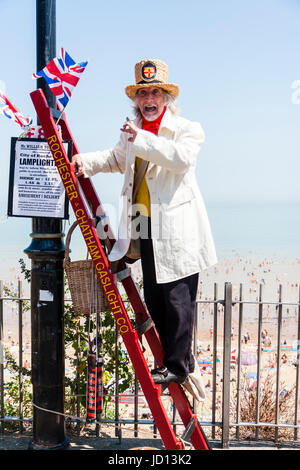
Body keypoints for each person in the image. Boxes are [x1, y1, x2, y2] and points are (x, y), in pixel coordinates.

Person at [72, 59, 217, 388]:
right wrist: (86, 163)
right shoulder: (132, 130)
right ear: (136, 99)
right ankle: (177, 360)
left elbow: (180, 159)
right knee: (154, 296)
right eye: (143, 93)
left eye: (155, 92)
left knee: (178, 299)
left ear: (166, 97)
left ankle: (178, 365)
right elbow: (115, 158)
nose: (148, 99)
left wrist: (141, 139)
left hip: (178, 229)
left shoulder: (187, 129)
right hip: (143, 224)